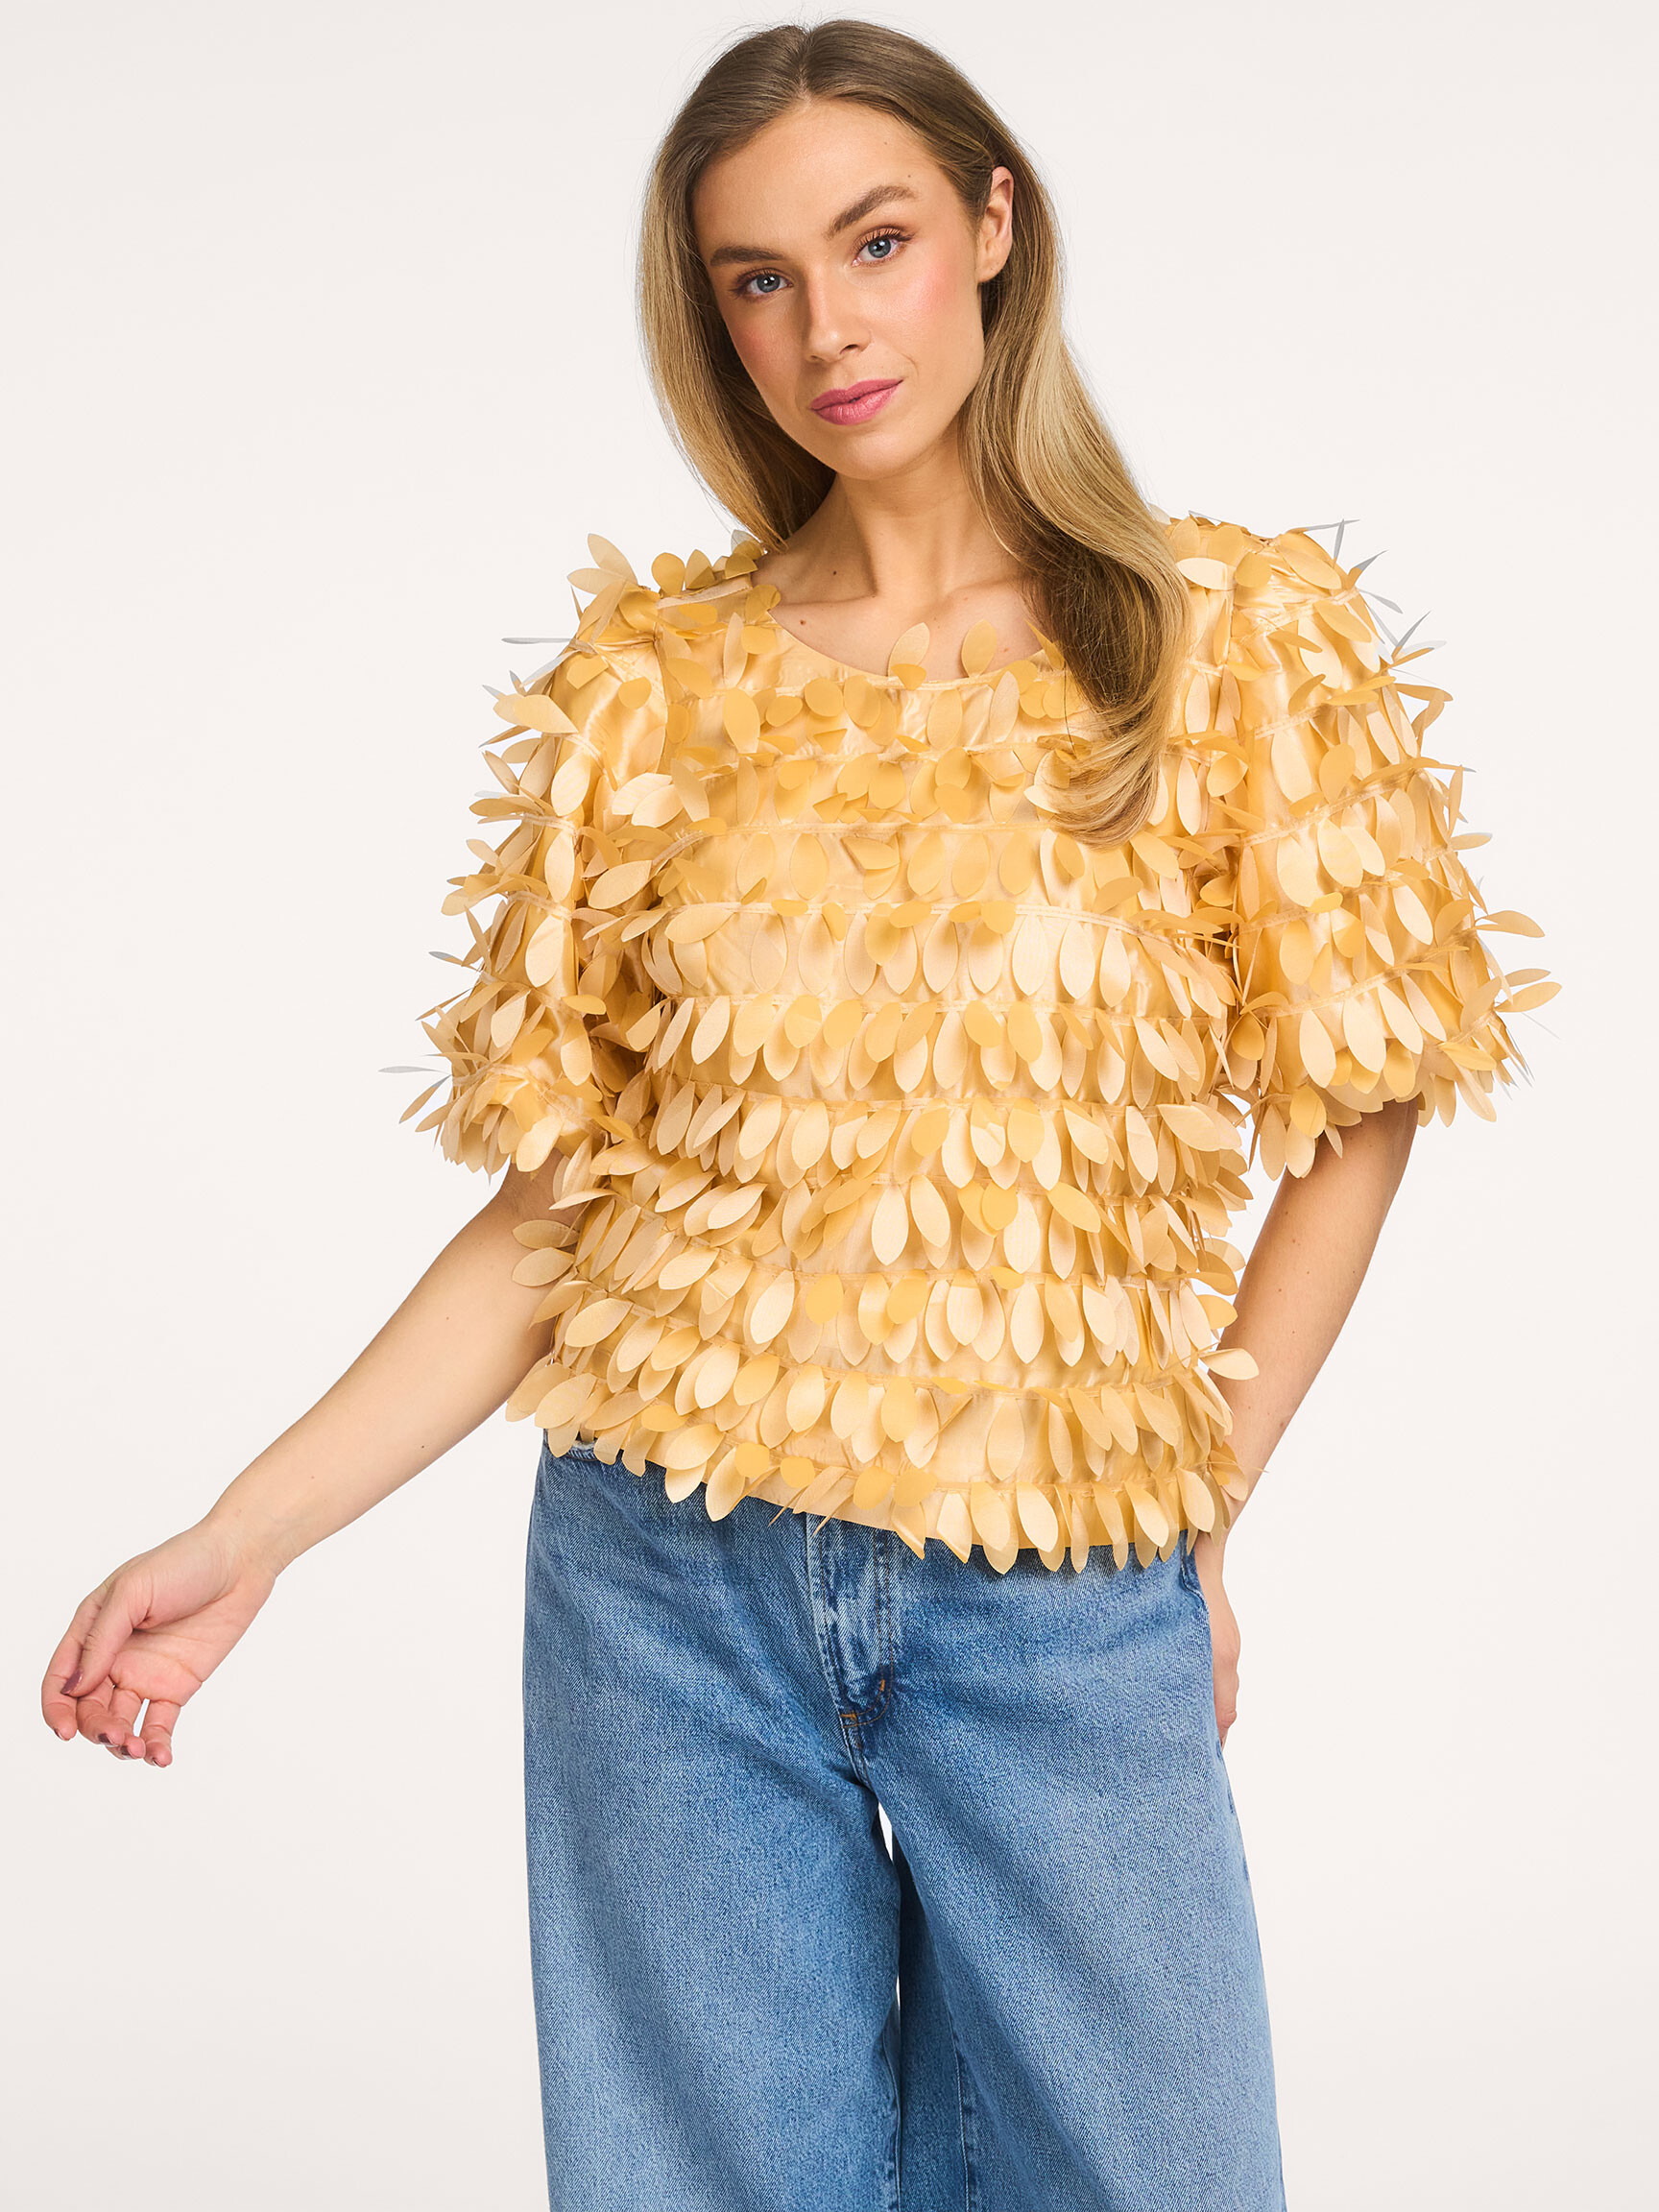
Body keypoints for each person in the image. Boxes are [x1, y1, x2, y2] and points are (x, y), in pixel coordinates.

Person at [40, 20, 1554, 2211]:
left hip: (1061, 1585)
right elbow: (558, 1215)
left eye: (876, 243)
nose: (829, 326)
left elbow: (1362, 1113)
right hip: (670, 1590)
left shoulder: (1229, 647)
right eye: (759, 277)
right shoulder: (653, 690)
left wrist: (1195, 1513)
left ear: (994, 227)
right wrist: (245, 1534)